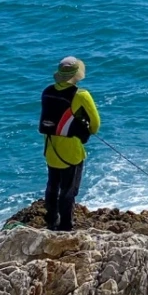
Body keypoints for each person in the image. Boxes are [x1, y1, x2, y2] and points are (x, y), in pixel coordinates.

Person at [41, 56, 101, 232]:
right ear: (77, 74)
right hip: (71, 152)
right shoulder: (81, 95)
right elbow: (96, 124)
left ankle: (51, 220)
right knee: (68, 191)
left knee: (52, 186)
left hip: (51, 148)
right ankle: (65, 227)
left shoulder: (47, 91)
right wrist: (86, 129)